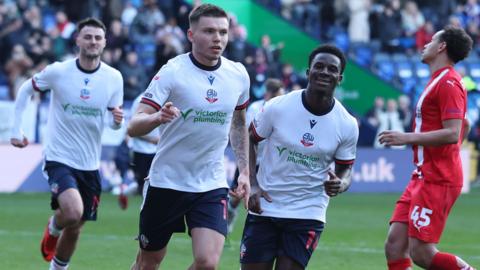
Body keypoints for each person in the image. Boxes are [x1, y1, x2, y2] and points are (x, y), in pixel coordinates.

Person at [127, 4, 250, 270]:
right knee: (149, 262)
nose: (217, 38)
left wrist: (244, 171)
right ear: (191, 35)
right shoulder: (172, 71)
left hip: (210, 183)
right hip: (167, 181)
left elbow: (239, 124)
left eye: (223, 32)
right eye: (208, 31)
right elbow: (133, 126)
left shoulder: (238, 74)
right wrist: (156, 118)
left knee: (207, 262)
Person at [10, 17, 124, 270]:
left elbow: (112, 122)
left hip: (90, 163)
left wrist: (116, 121)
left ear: (104, 43)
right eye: (88, 37)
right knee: (72, 213)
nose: (93, 41)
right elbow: (25, 89)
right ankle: (54, 226)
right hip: (59, 157)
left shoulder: (114, 78)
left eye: (97, 37)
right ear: (77, 40)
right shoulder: (59, 72)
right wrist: (16, 129)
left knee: (76, 227)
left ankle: (57, 266)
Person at [241, 44, 359, 270]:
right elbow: (250, 138)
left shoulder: (347, 124)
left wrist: (341, 183)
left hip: (308, 211)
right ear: (308, 72)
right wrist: (253, 184)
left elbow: (346, 169)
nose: (325, 72)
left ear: (340, 78)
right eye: (319, 66)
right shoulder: (278, 107)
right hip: (266, 205)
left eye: (332, 69)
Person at [379, 26, 476, 270]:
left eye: (431, 41)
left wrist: (407, 138)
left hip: (438, 178)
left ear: (441, 46)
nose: (424, 45)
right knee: (394, 245)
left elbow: (454, 132)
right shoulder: (438, 80)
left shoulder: (450, 83)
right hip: (423, 175)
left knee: (422, 253)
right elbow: (464, 124)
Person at [227, 78, 285, 234]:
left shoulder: (283, 110)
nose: (281, 99)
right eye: (278, 95)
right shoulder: (255, 108)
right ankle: (230, 213)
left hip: (269, 163)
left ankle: (261, 229)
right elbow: (247, 133)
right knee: (237, 195)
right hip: (250, 160)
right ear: (268, 95)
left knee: (265, 196)